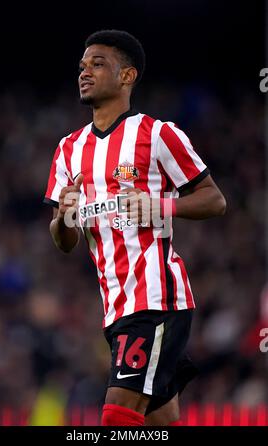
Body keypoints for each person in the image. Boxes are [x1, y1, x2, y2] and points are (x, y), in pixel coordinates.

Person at [44, 29, 226, 426]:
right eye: (81, 66)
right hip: (115, 308)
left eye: (97, 64)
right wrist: (64, 217)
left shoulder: (158, 134)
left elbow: (215, 200)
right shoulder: (68, 149)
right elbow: (64, 242)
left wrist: (159, 204)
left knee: (116, 417)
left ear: (127, 76)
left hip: (156, 299)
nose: (84, 73)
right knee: (161, 422)